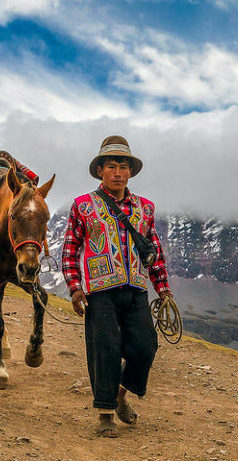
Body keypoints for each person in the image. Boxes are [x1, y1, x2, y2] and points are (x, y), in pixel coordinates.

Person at [61, 135, 173, 437]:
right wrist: (75, 287)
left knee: (146, 346)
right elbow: (70, 250)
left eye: (123, 167)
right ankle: (106, 414)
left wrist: (163, 289)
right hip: (100, 292)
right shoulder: (83, 206)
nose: (118, 173)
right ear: (100, 170)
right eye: (111, 166)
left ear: (130, 172)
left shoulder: (145, 208)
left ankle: (122, 393)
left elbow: (153, 252)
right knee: (105, 350)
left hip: (136, 289)